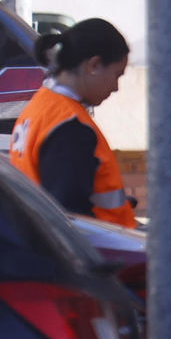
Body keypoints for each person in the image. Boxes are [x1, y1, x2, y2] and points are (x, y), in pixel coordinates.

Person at [10, 19, 136, 228]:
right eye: (116, 75)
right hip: (101, 251)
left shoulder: (41, 106)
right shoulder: (70, 128)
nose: (116, 87)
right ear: (94, 65)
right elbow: (71, 217)